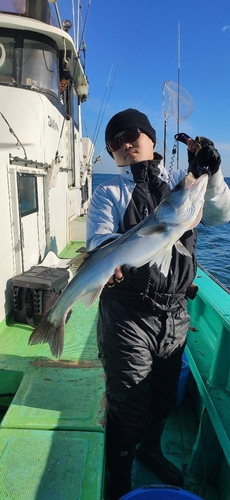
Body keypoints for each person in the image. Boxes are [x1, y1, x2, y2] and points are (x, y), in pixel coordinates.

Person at [86, 109, 230, 500]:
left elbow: (219, 215)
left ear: (151, 139)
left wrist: (211, 174)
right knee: (129, 401)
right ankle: (119, 476)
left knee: (164, 396)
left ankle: (150, 449)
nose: (126, 143)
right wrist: (109, 262)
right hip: (128, 317)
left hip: (176, 314)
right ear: (113, 154)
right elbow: (98, 240)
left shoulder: (179, 187)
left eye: (133, 134)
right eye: (115, 142)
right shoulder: (108, 194)